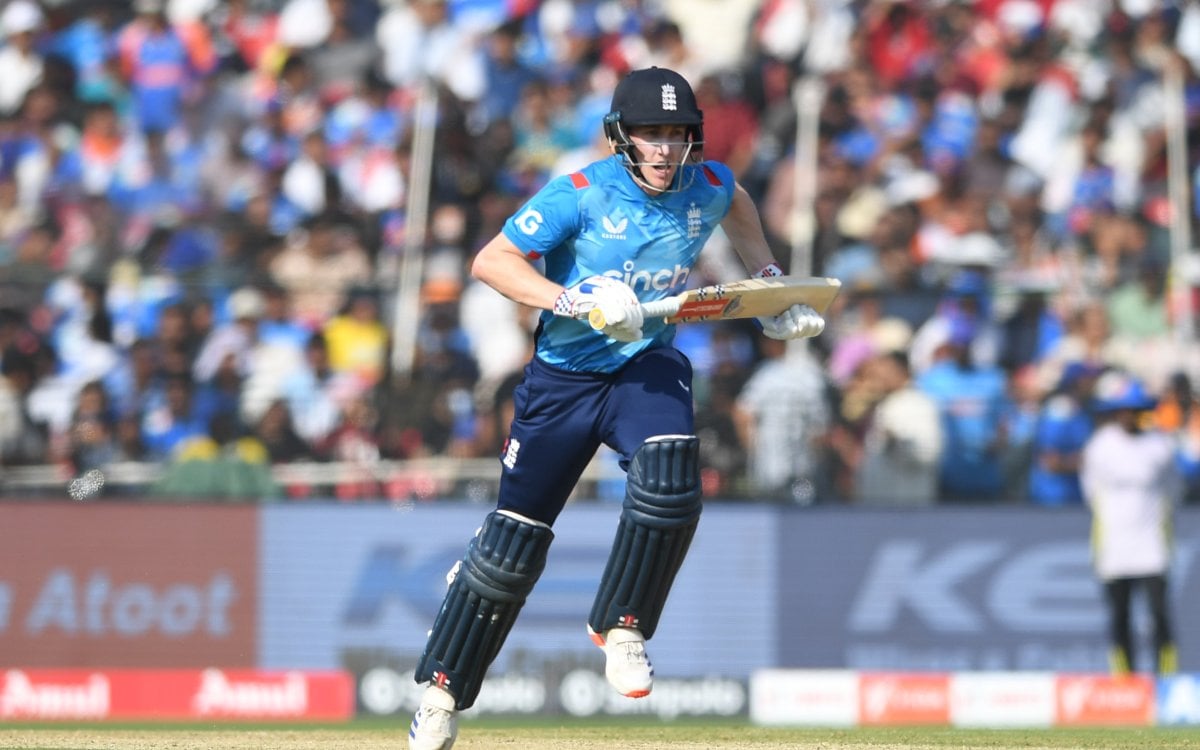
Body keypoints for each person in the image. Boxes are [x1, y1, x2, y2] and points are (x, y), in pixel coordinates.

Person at [405, 66, 826, 749]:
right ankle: (440, 697)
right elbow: (492, 261)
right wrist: (574, 299)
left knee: (672, 480)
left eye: (677, 134)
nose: (665, 148)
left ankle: (623, 626)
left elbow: (739, 204)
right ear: (620, 137)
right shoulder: (579, 193)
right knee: (511, 550)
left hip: (643, 366)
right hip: (563, 381)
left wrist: (770, 287)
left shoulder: (708, 184)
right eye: (650, 133)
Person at [1081, 371, 1196, 676]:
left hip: (1152, 545)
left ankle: (1166, 677)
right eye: (1123, 411)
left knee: (1159, 614)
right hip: (1114, 546)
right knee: (1119, 615)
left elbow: (1174, 491)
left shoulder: (1160, 446)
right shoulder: (1100, 447)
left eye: (1134, 410)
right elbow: (1090, 492)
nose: (1128, 417)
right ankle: (1124, 680)